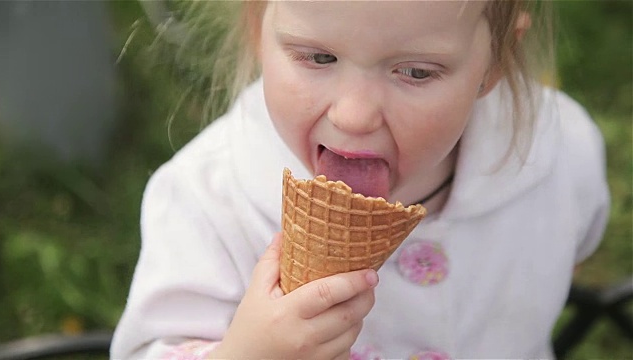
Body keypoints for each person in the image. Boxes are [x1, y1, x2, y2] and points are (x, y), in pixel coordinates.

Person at [111, 1, 610, 359]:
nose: (353, 116)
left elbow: (576, 247)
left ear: (496, 62)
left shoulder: (560, 152)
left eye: (415, 72)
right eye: (318, 57)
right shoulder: (207, 199)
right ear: (257, 27)